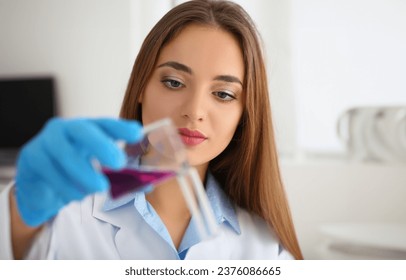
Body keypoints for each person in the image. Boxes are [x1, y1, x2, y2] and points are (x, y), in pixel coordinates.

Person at [0, 0, 303, 260]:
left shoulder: (264, 244)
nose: (194, 111)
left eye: (223, 94)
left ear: (245, 114)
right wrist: (18, 213)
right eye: (173, 82)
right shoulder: (66, 214)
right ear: (141, 87)